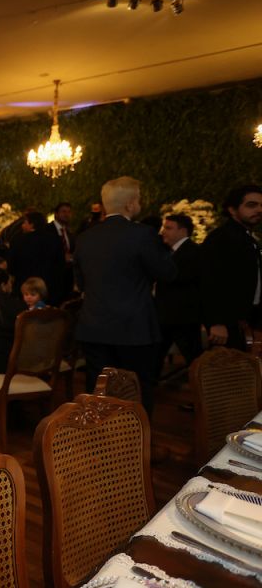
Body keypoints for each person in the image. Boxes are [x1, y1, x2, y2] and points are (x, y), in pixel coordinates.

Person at [74, 177, 176, 414]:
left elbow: (81, 282)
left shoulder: (85, 237)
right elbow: (167, 273)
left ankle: (96, 439)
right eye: (138, 198)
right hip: (134, 327)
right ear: (130, 204)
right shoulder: (142, 234)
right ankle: (133, 443)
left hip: (94, 325)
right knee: (137, 391)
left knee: (97, 389)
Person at [200, 184, 262, 350]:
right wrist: (216, 322)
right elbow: (208, 281)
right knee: (229, 373)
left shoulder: (246, 237)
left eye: (261, 205)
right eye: (251, 205)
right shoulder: (221, 238)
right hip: (227, 325)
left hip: (244, 321)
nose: (259, 210)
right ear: (232, 209)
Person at [155, 214, 203, 368]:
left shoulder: (193, 252)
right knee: (154, 359)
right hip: (166, 317)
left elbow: (179, 279)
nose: (163, 231)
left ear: (183, 231)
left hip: (184, 318)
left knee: (195, 361)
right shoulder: (168, 251)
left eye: (168, 228)